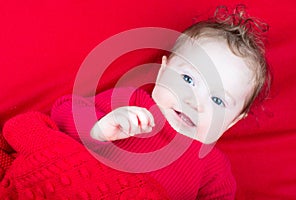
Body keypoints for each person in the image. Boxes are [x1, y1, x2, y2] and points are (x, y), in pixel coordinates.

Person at [51, 5, 270, 199]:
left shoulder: (212, 167)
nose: (194, 102)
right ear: (161, 72)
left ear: (231, 123)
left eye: (217, 100)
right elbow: (64, 111)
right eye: (187, 79)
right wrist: (99, 129)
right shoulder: (131, 103)